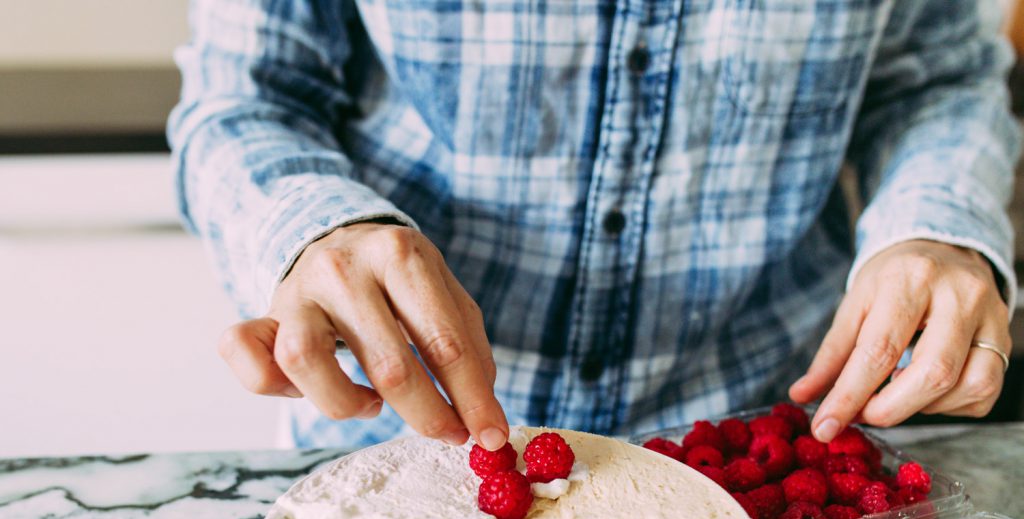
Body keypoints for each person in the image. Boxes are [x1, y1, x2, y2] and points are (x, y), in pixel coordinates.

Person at [169, 0, 1018, 454]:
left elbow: (934, 80)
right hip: (399, 439)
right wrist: (315, 226)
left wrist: (936, 221)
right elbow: (247, 94)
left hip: (751, 445)